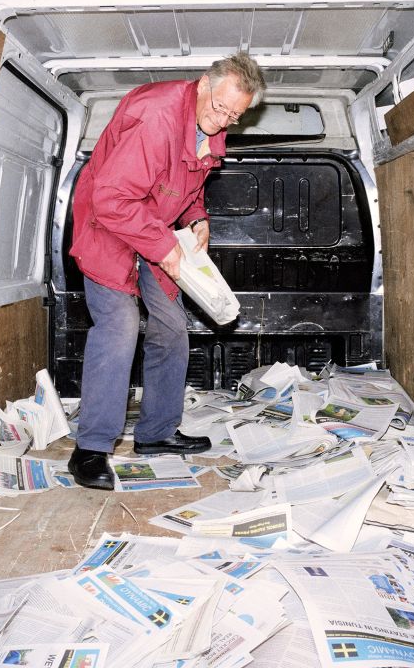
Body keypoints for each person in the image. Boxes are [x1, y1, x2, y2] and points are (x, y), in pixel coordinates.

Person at [67, 52, 266, 489]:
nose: (224, 120)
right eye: (220, 108)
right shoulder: (156, 119)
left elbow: (182, 184)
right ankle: (91, 450)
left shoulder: (208, 126)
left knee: (171, 328)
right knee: (120, 325)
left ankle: (155, 434)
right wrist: (162, 246)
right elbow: (112, 199)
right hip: (109, 229)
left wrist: (197, 216)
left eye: (235, 115)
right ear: (202, 84)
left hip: (152, 230)